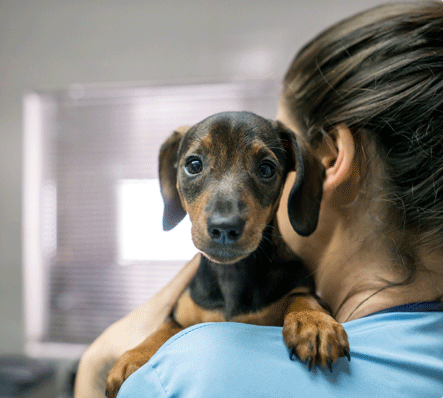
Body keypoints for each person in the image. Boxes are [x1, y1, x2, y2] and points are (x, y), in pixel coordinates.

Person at [75, 2, 443, 396]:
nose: (227, 213)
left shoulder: (187, 374)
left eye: (267, 170)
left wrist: (96, 363)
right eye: (196, 165)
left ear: (327, 160)